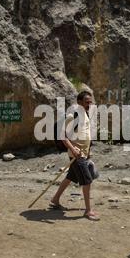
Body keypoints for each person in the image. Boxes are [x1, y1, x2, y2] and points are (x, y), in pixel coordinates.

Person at [50, 91, 100, 221]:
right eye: (87, 102)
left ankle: (55, 200)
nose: (90, 104)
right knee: (87, 181)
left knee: (70, 177)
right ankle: (88, 211)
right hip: (77, 155)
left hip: (84, 153)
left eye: (90, 102)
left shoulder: (86, 113)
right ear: (79, 102)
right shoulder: (73, 115)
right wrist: (73, 149)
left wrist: (88, 151)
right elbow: (62, 135)